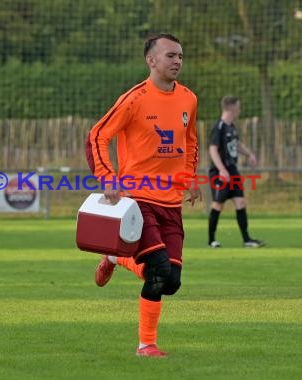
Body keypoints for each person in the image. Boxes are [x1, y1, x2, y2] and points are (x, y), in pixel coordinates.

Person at [85, 33, 201, 358]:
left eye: (180, 55)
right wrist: (107, 176)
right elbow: (97, 136)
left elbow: (190, 141)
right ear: (151, 61)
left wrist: (190, 178)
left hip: (172, 203)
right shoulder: (134, 99)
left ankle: (116, 257)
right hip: (138, 200)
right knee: (159, 270)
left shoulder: (189, 99)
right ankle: (146, 345)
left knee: (171, 281)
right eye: (170, 56)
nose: (177, 61)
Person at [207, 96, 265, 248]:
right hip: (220, 171)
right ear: (232, 107)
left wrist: (249, 154)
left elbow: (236, 144)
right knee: (218, 204)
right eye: (238, 106)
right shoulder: (218, 127)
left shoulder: (231, 127)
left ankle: (247, 239)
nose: (239, 109)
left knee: (240, 201)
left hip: (232, 169)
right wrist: (221, 170)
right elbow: (212, 149)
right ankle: (211, 240)